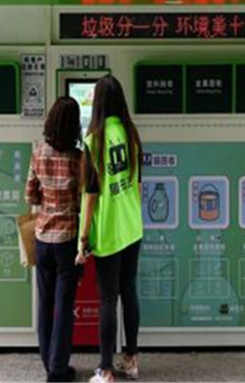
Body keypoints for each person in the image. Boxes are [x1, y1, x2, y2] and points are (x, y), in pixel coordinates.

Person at [77, 76, 144, 383]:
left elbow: (91, 194)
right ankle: (130, 359)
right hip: (132, 226)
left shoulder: (94, 140)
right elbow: (138, 184)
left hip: (109, 229)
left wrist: (83, 238)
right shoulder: (131, 134)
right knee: (129, 292)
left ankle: (105, 370)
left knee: (107, 299)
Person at [26, 97, 83, 383]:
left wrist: (47, 202)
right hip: (67, 240)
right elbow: (83, 200)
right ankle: (58, 369)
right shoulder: (78, 158)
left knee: (45, 303)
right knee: (63, 306)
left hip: (42, 238)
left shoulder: (38, 154)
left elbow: (30, 195)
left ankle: (48, 362)